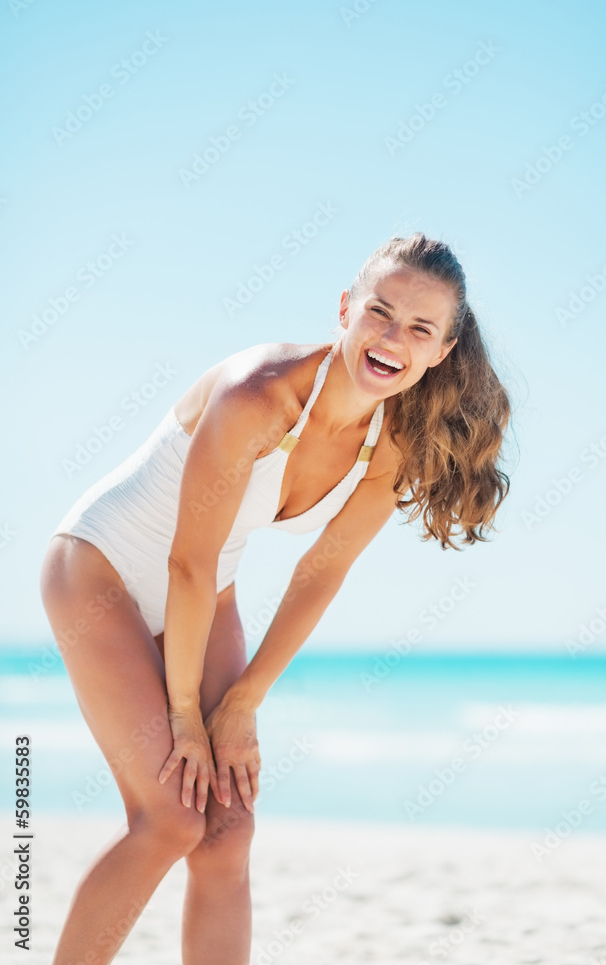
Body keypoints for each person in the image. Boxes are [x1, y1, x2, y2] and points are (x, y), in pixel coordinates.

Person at [40, 232, 512, 964]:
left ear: (442, 352)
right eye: (380, 313)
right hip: (98, 569)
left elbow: (320, 573)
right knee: (170, 819)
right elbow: (186, 563)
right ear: (346, 309)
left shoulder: (391, 443)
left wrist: (243, 704)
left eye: (420, 329)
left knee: (228, 828)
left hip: (202, 590)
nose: (392, 338)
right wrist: (187, 716)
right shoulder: (258, 395)